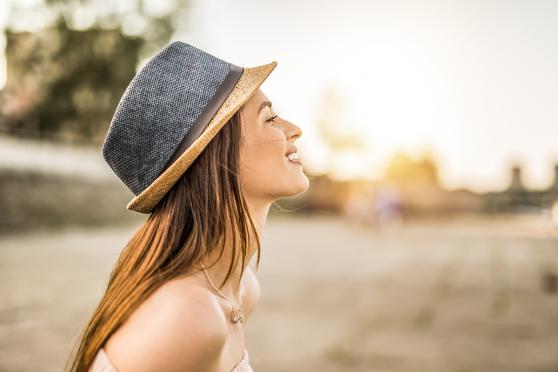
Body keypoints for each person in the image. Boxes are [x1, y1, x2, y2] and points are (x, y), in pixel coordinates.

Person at [66, 41, 309, 372]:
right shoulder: (189, 316)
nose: (294, 130)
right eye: (270, 119)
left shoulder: (240, 289)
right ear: (216, 154)